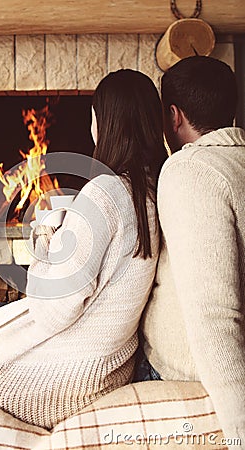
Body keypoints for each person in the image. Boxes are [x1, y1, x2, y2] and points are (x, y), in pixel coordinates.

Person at [0, 69, 167, 429]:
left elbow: (52, 314)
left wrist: (46, 237)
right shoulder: (150, 191)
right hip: (106, 361)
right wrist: (73, 222)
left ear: (107, 123)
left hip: (60, 380)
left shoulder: (105, 193)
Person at [139, 56, 245, 445]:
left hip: (182, 370)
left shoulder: (191, 171)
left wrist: (238, 433)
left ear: (173, 116)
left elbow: (214, 312)